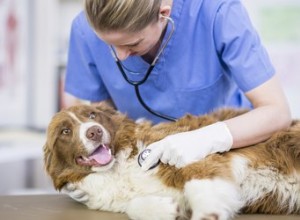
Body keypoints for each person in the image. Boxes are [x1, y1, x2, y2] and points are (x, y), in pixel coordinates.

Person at [64, 0, 291, 173]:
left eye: (133, 44)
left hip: (229, 152)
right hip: (144, 159)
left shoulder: (218, 13)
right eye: (109, 45)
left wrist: (206, 139)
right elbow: (103, 115)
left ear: (164, 13)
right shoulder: (85, 28)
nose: (121, 57)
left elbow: (276, 112)